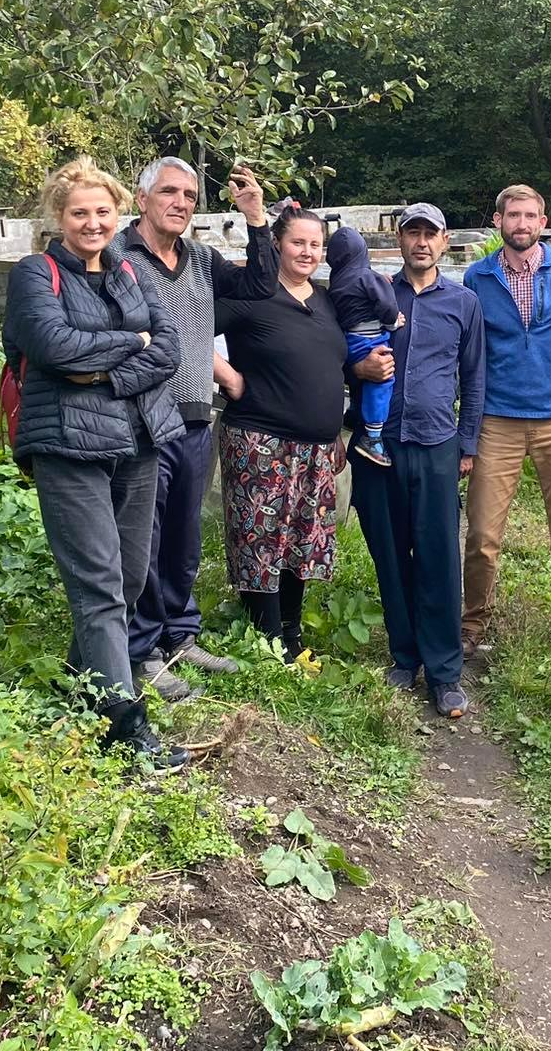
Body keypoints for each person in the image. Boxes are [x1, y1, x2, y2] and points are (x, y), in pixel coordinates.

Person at [4, 157, 186, 770]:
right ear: (59, 217)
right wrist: (127, 346)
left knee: (131, 578)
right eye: (79, 212)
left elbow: (169, 349)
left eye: (103, 211)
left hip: (136, 441)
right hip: (67, 445)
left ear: (118, 214)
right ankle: (123, 723)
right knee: (100, 585)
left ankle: (81, 684)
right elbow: (53, 347)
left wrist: (100, 375)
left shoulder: (131, 271)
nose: (92, 222)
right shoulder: (35, 275)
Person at [119, 157, 277, 700]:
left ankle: (180, 635)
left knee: (184, 536)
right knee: (144, 539)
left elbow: (260, 284)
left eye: (189, 195)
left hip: (192, 415)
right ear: (142, 200)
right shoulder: (118, 257)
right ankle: (141, 653)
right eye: (169, 192)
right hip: (137, 420)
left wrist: (256, 214)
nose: (180, 203)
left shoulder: (201, 261)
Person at [346, 203, 485, 718]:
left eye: (430, 234)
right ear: (399, 242)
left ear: (444, 242)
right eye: (412, 234)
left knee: (438, 558)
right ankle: (404, 657)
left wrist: (467, 444)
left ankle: (446, 672)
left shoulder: (463, 303)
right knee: (389, 551)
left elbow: (474, 379)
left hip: (436, 444)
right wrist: (357, 368)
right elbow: (348, 354)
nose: (421, 243)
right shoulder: (377, 295)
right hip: (378, 446)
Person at [461, 184, 551, 656]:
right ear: (498, 221)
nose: (521, 224)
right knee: (482, 535)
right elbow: (470, 350)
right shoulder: (477, 278)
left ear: (543, 223)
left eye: (530, 216)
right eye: (512, 215)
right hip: (497, 418)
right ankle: (472, 625)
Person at [216, 204, 350, 657]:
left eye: (316, 244)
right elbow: (186, 331)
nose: (307, 252)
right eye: (298, 242)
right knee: (262, 538)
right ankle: (266, 636)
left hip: (316, 446)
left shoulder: (325, 299)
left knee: (300, 539)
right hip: (260, 439)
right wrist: (228, 376)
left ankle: (291, 631)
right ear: (276, 244)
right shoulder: (252, 292)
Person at [326, 227, 406, 467]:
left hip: (349, 340)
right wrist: (392, 322)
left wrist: (375, 278)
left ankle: (353, 415)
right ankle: (372, 437)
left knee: (363, 380)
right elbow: (387, 303)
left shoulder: (337, 280)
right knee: (382, 379)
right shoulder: (366, 276)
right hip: (370, 338)